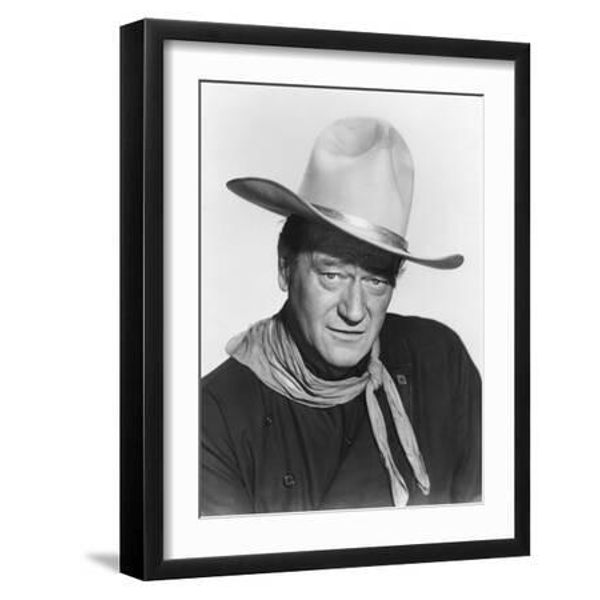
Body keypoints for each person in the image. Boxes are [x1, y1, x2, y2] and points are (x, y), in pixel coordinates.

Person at [200, 117, 481, 516]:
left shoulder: (439, 362)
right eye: (332, 275)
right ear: (285, 268)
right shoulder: (214, 416)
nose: (354, 311)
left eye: (376, 281)